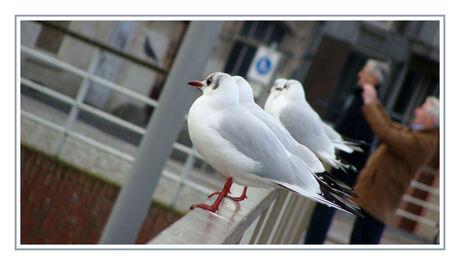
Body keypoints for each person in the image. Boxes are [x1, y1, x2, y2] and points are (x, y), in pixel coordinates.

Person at [304, 59, 389, 244]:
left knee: (325, 209)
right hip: (347, 164)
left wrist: (335, 152)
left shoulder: (366, 105)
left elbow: (356, 139)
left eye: (364, 72)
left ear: (373, 80)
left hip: (347, 166)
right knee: (325, 208)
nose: (359, 74)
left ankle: (312, 246)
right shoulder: (360, 100)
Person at [348, 85, 439, 244]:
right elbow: (390, 125)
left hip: (378, 205)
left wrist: (369, 104)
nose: (416, 111)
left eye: (422, 109)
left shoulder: (423, 142)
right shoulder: (418, 134)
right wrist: (374, 103)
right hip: (374, 202)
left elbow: (387, 133)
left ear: (430, 120)